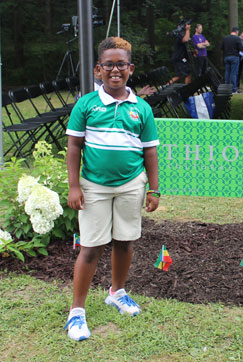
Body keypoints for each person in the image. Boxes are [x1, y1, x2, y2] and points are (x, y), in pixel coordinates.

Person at [64, 37, 160, 341]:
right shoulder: (87, 104)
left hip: (131, 184)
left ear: (130, 68)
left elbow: (150, 152)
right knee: (91, 247)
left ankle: (117, 292)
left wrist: (153, 189)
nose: (115, 70)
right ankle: (77, 312)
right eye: (109, 64)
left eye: (121, 64)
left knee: (125, 242)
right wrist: (74, 186)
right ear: (98, 69)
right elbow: (74, 146)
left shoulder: (141, 108)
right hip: (93, 187)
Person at [221, 26, 243, 94]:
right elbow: (241, 48)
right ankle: (233, 89)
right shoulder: (237, 38)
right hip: (234, 57)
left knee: (227, 72)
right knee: (234, 73)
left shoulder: (225, 38)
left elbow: (221, 47)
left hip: (226, 57)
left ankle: (226, 89)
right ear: (236, 32)